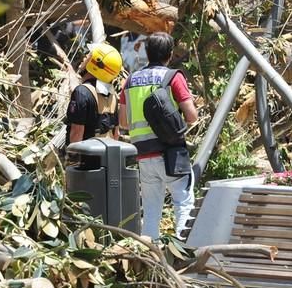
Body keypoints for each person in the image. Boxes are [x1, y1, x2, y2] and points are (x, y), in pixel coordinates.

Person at [119, 32, 198, 239]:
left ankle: (149, 258)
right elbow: (191, 116)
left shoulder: (130, 80)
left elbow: (123, 123)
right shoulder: (173, 77)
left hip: (143, 155)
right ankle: (182, 255)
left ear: (147, 52)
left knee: (152, 210)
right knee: (183, 204)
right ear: (170, 55)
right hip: (171, 153)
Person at [65, 42, 123, 146]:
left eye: (89, 55)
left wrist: (72, 159)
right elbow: (116, 134)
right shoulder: (112, 95)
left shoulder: (81, 92)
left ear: (96, 64)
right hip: (108, 157)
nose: (84, 58)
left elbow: (76, 133)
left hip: (87, 160)